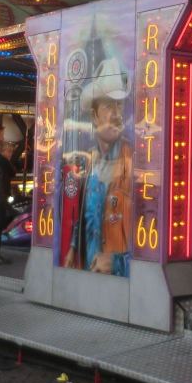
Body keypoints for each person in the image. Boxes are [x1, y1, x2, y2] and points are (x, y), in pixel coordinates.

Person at [65, 61, 133, 276]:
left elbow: (151, 236)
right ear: (94, 116)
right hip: (88, 269)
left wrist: (119, 263)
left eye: (119, 105)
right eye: (108, 106)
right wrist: (73, 248)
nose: (116, 113)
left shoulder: (135, 162)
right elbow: (84, 214)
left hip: (117, 281)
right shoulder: (89, 161)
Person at [0, 116, 25, 265]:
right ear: (2, 152)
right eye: (8, 152)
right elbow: (1, 185)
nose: (9, 155)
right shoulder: (1, 166)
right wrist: (6, 202)